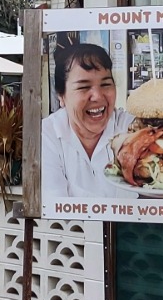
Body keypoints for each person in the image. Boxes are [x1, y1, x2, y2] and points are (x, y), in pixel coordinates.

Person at [40, 43, 135, 201]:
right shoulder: (47, 135)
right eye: (84, 87)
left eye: (105, 84)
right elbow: (53, 205)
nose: (97, 96)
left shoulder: (131, 129)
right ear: (61, 96)